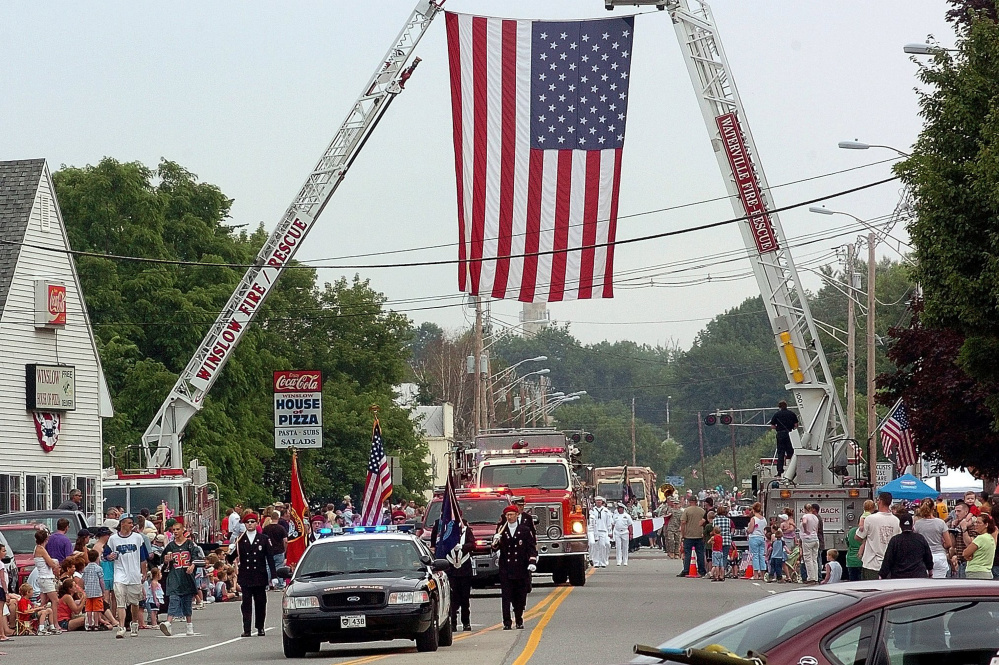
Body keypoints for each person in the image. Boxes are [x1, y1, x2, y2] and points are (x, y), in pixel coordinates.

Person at [226, 512, 276, 637]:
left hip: (259, 576)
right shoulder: (240, 540)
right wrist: (230, 551)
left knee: (260, 602)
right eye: (247, 522)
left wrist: (274, 576)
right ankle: (247, 629)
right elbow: (231, 559)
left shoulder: (263, 539)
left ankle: (260, 627)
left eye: (252, 522)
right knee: (246, 604)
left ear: (257, 523)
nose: (250, 524)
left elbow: (270, 558)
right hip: (246, 576)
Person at [491, 505, 536, 630]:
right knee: (506, 597)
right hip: (506, 568)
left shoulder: (525, 530)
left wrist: (532, 562)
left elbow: (531, 548)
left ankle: (519, 619)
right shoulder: (502, 530)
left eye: (511, 515)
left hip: (520, 568)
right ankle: (506, 622)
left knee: (520, 596)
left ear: (517, 515)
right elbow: (494, 548)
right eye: (507, 515)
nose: (509, 517)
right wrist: (495, 541)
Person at [105, 514, 148, 638]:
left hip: (134, 574)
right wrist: (109, 557)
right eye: (129, 523)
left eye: (131, 523)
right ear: (122, 523)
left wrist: (143, 572)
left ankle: (134, 623)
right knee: (120, 601)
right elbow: (106, 554)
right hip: (120, 573)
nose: (131, 525)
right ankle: (121, 626)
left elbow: (143, 557)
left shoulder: (137, 538)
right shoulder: (113, 539)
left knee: (134, 602)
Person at [159, 522, 199, 636]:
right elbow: (162, 561)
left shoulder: (190, 544)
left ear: (182, 530)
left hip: (187, 576)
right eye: (173, 530)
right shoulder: (171, 546)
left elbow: (198, 557)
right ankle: (168, 623)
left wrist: (192, 565)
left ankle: (189, 625)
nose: (175, 532)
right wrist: (167, 560)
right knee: (174, 599)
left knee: (187, 601)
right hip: (175, 575)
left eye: (177, 529)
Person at [436, 519, 474, 632]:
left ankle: (466, 622)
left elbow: (473, 545)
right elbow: (440, 545)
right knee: (452, 599)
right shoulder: (447, 531)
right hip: (451, 570)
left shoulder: (466, 531)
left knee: (465, 599)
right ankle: (452, 623)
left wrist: (463, 547)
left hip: (464, 570)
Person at [856, 492, 900, 581]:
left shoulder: (870, 519)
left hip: (871, 563)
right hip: (890, 565)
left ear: (879, 501)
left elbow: (858, 537)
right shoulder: (896, 520)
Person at [880, 511, 933, 579]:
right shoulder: (920, 538)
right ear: (912, 525)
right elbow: (928, 557)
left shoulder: (895, 540)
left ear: (900, 525)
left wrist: (882, 574)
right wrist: (930, 570)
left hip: (899, 577)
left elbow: (888, 560)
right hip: (918, 576)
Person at [913, 498, 952, 579]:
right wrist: (942, 543)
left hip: (924, 557)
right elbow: (948, 544)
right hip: (939, 555)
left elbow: (915, 542)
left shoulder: (917, 524)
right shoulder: (940, 523)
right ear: (933, 507)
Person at [33, 529, 62, 618]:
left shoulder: (37, 548)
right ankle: (55, 623)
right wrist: (55, 563)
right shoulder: (41, 549)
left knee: (43, 602)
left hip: (42, 577)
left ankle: (42, 622)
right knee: (55, 600)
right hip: (46, 578)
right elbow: (51, 564)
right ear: (46, 539)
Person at [678, 495, 707, 578]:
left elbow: (683, 522)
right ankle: (702, 570)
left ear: (689, 502)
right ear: (697, 502)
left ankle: (686, 570)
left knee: (688, 554)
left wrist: (683, 534)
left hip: (689, 535)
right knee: (700, 554)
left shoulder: (687, 511)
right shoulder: (702, 511)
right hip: (700, 535)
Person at [768, 400, 799, 477]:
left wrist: (778, 427)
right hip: (789, 434)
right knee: (791, 453)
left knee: (781, 453)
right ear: (786, 406)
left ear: (779, 407)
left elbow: (772, 426)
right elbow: (796, 425)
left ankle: (779, 472)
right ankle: (793, 472)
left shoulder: (777, 414)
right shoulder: (791, 414)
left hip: (780, 435)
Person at [962, 513, 997, 579]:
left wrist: (968, 557)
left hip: (975, 572)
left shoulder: (981, 538)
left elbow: (965, 553)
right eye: (975, 522)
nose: (976, 525)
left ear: (986, 525)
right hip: (987, 572)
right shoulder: (991, 538)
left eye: (978, 523)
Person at [261, 511, 288, 590]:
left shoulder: (266, 528)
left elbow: (263, 539)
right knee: (279, 567)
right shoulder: (281, 528)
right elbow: (285, 540)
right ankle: (280, 585)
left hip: (268, 551)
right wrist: (285, 549)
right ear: (278, 518)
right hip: (279, 551)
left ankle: (266, 584)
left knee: (268, 567)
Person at [82, 548, 105, 631]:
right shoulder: (98, 568)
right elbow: (101, 580)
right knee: (96, 609)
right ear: (97, 558)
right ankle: (96, 624)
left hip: (88, 591)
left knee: (88, 609)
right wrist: (103, 590)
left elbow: (83, 579)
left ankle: (89, 624)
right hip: (97, 591)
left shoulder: (85, 569)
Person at [948, 500, 971, 578]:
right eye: (955, 511)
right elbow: (953, 544)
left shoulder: (971, 524)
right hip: (959, 560)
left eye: (959, 511)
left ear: (966, 512)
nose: (956, 514)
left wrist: (964, 529)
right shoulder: (956, 523)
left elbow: (969, 543)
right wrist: (952, 530)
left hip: (968, 561)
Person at [587, 497, 612, 568]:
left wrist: (609, 531)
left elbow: (609, 522)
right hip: (595, 530)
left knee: (603, 546)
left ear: (602, 502)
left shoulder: (606, 511)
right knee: (595, 546)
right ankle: (596, 562)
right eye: (597, 501)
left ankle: (603, 562)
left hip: (603, 530)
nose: (598, 502)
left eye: (600, 501)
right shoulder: (592, 511)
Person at [747, 503, 767, 581]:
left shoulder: (753, 519)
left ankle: (755, 574)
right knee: (761, 556)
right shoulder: (763, 519)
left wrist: (747, 530)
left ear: (753, 509)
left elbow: (751, 530)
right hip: (762, 538)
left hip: (754, 537)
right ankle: (762, 574)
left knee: (755, 556)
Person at [712, 505, 733, 576]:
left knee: (717, 558)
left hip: (718, 541)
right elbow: (730, 529)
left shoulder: (715, 520)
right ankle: (722, 574)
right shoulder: (728, 520)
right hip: (727, 540)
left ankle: (717, 573)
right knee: (724, 557)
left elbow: (714, 530)